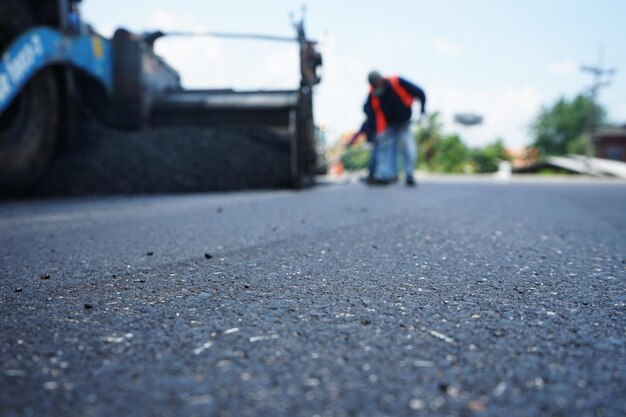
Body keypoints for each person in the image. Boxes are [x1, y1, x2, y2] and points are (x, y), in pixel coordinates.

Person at [363, 71, 426, 186]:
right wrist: (371, 133)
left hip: (404, 121)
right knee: (385, 148)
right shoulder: (373, 93)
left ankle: (409, 175)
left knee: (407, 147)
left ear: (381, 79)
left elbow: (420, 92)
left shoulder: (397, 82)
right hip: (388, 125)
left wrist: (422, 112)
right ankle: (385, 176)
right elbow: (368, 111)